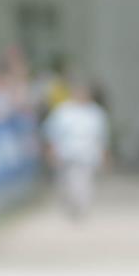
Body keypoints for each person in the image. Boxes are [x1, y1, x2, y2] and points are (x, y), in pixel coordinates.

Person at [43, 81, 109, 220]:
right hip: (66, 152)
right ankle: (70, 204)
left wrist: (104, 154)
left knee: (83, 182)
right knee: (66, 182)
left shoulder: (95, 113)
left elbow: (102, 136)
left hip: (87, 153)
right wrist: (51, 149)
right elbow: (51, 131)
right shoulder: (63, 111)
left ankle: (81, 207)